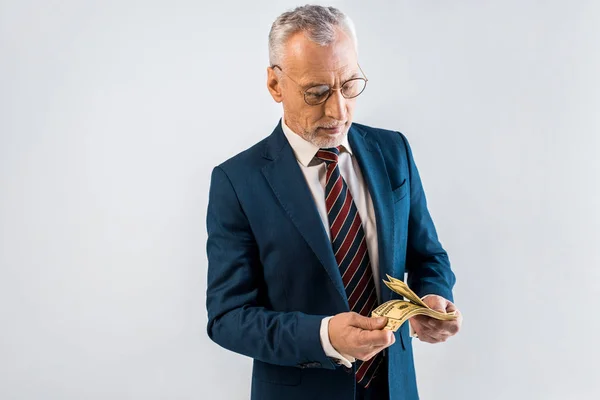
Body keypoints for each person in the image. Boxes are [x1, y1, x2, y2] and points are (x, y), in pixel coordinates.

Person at [205, 5, 462, 400]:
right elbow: (228, 318)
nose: (338, 110)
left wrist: (434, 296)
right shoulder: (237, 182)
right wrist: (325, 336)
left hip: (396, 388)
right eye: (317, 92)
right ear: (275, 85)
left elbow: (428, 255)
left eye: (350, 85)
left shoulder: (393, 152)